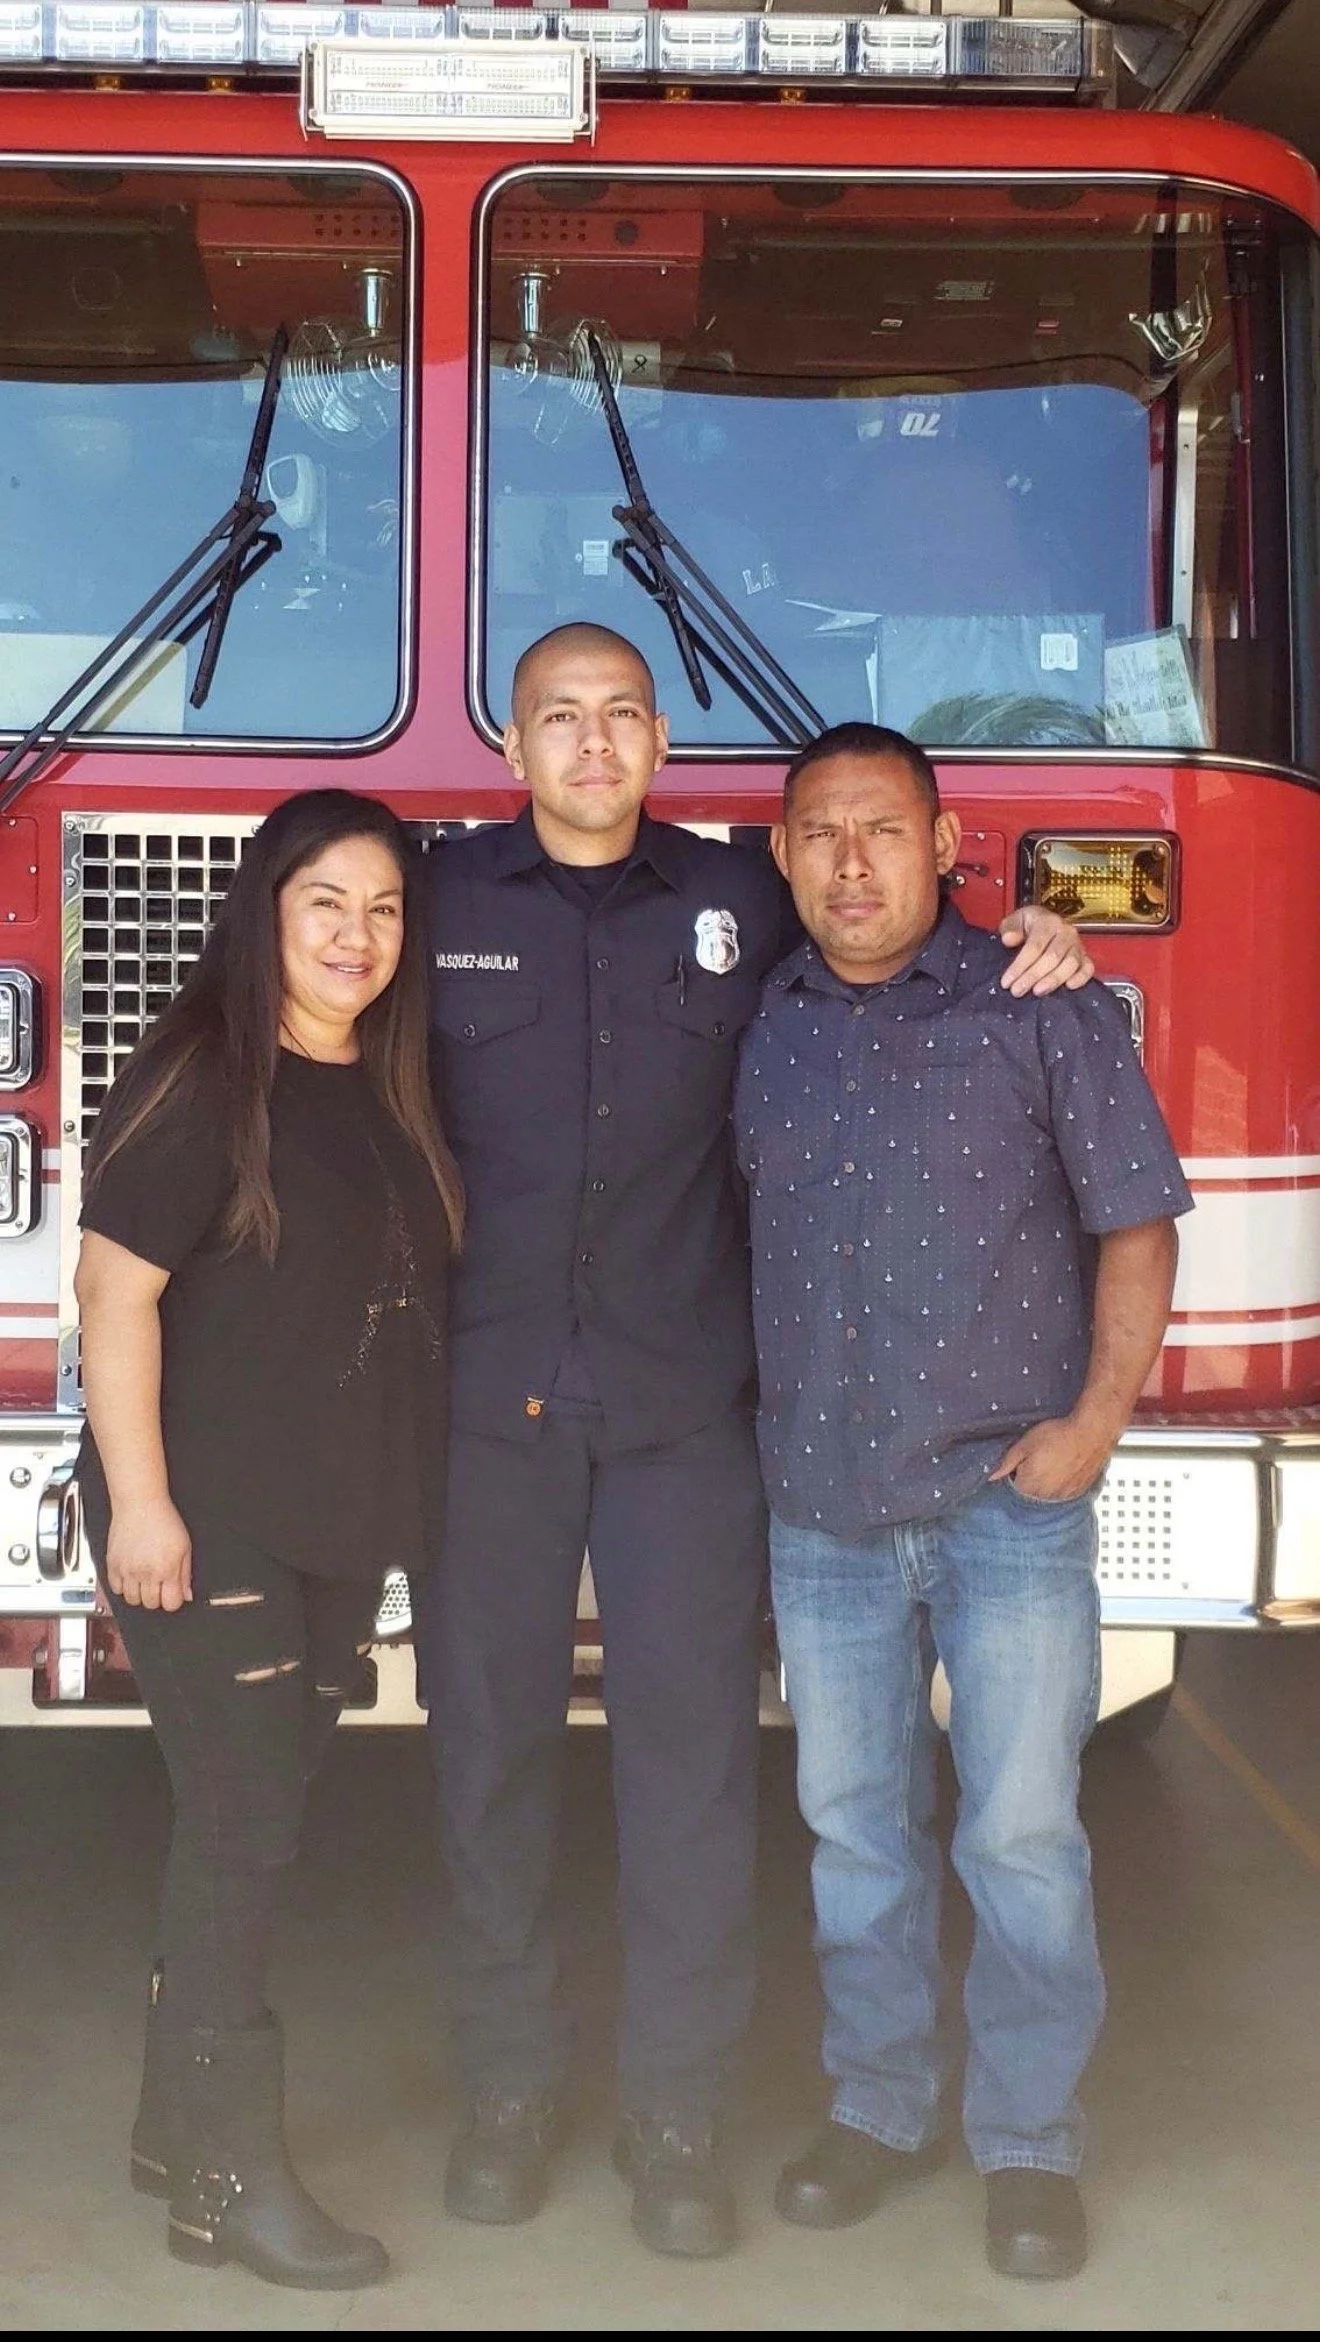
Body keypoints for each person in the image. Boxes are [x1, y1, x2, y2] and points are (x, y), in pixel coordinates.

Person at [415, 625, 1093, 2260]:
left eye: (622, 717)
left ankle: (676, 2114)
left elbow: (909, 929)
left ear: (662, 739)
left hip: (685, 1428)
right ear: (511, 746)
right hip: (487, 1419)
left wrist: (1051, 940)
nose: (592, 745)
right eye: (559, 720)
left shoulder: (754, 893)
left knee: (695, 1780)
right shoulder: (429, 900)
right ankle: (507, 2093)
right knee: (487, 1767)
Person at [733, 722, 1192, 2280]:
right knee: (856, 1835)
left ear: (945, 845)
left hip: (1010, 1504)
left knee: (1021, 1835)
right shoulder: (759, 1016)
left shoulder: (1038, 999)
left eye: (882, 830)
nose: (850, 862)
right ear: (782, 853)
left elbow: (1137, 1221)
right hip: (823, 1505)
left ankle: (1028, 2135)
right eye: (819, 833)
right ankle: (877, 2110)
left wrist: (1099, 1421)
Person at [75, 790, 462, 2291]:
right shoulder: (202, 1078)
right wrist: (147, 1502)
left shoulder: (387, 1080)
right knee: (246, 1827)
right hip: (207, 1510)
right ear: (265, 913)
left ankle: (175, 2126)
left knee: (249, 1819)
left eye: (381, 909)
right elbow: (116, 1300)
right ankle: (227, 2186)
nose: (356, 936)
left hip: (329, 1514)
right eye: (326, 904)